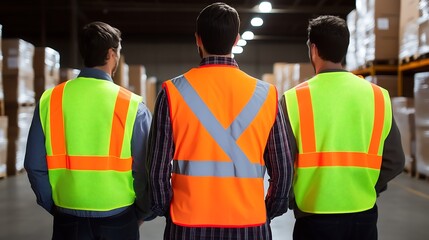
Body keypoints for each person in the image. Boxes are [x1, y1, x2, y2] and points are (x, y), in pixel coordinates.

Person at [147, 2, 293, 240]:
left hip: (187, 224)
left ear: (197, 39)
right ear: (236, 40)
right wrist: (269, 209)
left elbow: (156, 170)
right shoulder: (266, 94)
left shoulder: (173, 92)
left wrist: (167, 209)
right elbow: (283, 169)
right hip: (250, 224)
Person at [24, 21, 153, 240]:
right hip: (119, 217)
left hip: (67, 216)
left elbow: (34, 166)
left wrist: (55, 207)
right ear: (112, 54)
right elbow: (144, 171)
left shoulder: (51, 100)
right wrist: (141, 212)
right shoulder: (132, 105)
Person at [281, 15, 405, 240]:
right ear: (345, 49)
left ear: (313, 49)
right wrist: (368, 188)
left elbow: (283, 163)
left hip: (313, 214)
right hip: (363, 213)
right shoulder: (378, 96)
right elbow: (395, 160)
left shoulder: (293, 99)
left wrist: (294, 200)